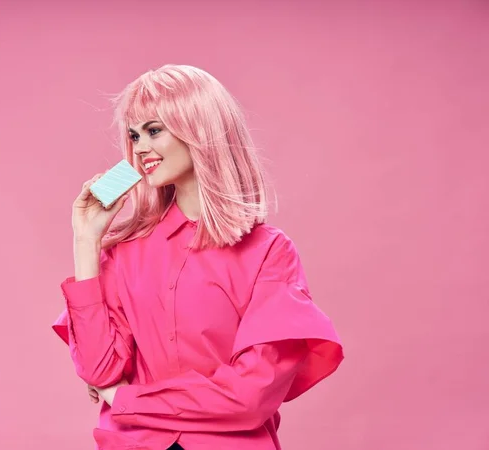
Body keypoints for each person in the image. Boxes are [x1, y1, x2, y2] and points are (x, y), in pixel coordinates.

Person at [52, 64, 344, 450]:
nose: (140, 148)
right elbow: (98, 369)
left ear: (198, 129)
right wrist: (85, 243)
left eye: (154, 130)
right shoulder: (124, 253)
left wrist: (127, 399)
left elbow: (249, 399)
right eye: (134, 135)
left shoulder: (268, 253)